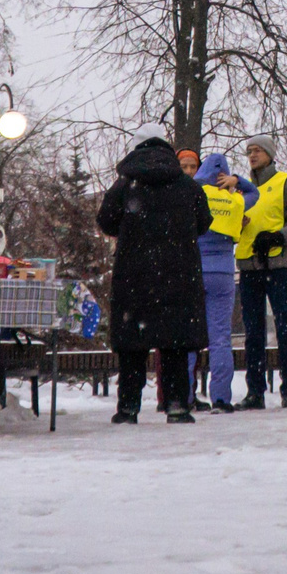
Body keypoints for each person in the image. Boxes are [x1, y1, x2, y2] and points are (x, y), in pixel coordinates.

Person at [97, 123, 210, 425]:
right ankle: (176, 405)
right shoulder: (187, 186)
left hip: (134, 277)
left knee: (133, 346)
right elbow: (204, 222)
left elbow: (106, 222)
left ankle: (128, 408)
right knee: (173, 342)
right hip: (178, 275)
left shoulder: (125, 184)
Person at [235, 137, 287, 408]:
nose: (252, 155)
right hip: (248, 266)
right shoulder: (239, 190)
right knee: (253, 332)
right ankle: (255, 392)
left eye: (257, 150)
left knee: (284, 328)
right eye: (249, 152)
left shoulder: (286, 183)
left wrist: (279, 237)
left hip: (278, 265)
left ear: (270, 154)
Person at [192, 152, 254, 411]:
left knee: (190, 337)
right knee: (220, 337)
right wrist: (236, 180)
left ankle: (184, 396)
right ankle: (220, 397)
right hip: (224, 273)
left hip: (196, 271)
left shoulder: (195, 196)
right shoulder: (236, 200)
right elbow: (255, 194)